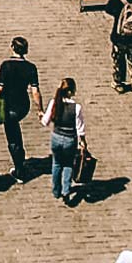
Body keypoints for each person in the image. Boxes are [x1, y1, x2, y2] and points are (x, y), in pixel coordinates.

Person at [0, 35, 43, 183]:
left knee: (13, 138)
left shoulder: (6, 65)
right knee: (15, 130)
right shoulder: (31, 67)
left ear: (12, 47)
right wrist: (40, 109)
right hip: (23, 106)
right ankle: (20, 159)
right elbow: (35, 91)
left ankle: (19, 169)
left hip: (9, 107)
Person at [41, 77, 86, 205]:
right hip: (70, 140)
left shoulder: (54, 103)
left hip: (56, 137)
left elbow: (45, 121)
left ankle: (56, 190)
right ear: (71, 92)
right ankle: (66, 191)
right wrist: (83, 142)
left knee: (56, 164)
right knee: (68, 165)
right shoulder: (76, 108)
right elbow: (80, 128)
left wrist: (41, 115)